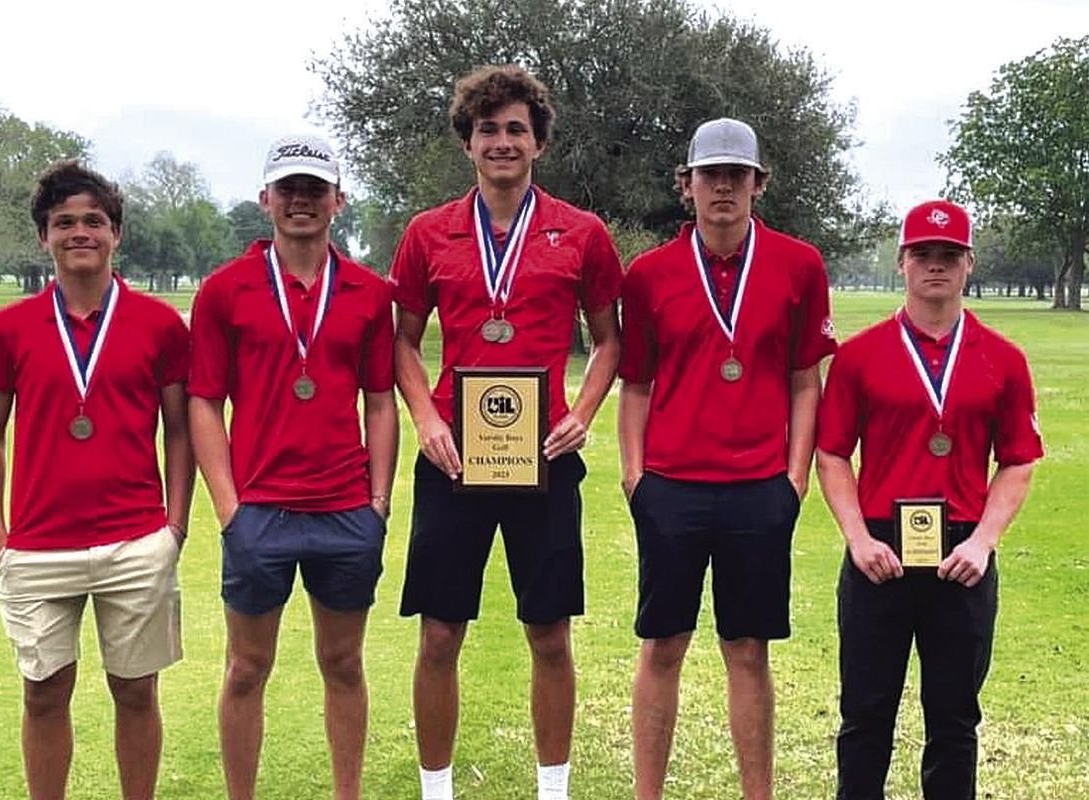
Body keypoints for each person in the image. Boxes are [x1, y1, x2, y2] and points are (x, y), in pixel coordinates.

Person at [390, 65, 622, 800]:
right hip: (454, 455)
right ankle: (437, 789)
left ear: (539, 143)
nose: (501, 142)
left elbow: (610, 338)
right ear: (468, 142)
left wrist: (583, 412)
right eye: (487, 129)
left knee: (549, 634)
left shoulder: (580, 233)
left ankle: (552, 789)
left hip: (544, 458)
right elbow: (402, 338)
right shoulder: (429, 233)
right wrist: (425, 415)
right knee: (438, 633)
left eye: (515, 129)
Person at [619, 118, 838, 800]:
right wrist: (636, 479)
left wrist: (793, 480)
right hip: (672, 489)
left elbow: (807, 380)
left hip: (758, 491)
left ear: (757, 184)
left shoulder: (799, 265)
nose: (722, 187)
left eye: (735, 175)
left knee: (747, 651)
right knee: (662, 648)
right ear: (686, 187)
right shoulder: (649, 274)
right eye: (709, 175)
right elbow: (636, 386)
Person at [0, 161, 193, 800]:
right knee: (43, 695)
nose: (79, 233)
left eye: (93, 220)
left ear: (115, 233)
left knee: (136, 691)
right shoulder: (11, 327)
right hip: (39, 546)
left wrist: (174, 524)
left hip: (135, 540)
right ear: (44, 237)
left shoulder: (158, 324)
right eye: (63, 222)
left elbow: (180, 429)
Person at [188, 135, 397, 800]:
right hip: (261, 512)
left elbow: (380, 400)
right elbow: (203, 404)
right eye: (289, 189)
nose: (301, 200)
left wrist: (380, 501)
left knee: (343, 663)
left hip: (343, 510)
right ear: (266, 200)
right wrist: (229, 510)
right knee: (246, 668)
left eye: (315, 189)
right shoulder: (225, 291)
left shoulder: (369, 291)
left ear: (338, 200)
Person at [815, 199, 1043, 800]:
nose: (935, 266)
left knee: (954, 720)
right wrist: (858, 539)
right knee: (865, 717)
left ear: (969, 263)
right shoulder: (859, 356)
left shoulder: (1004, 359)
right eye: (923, 254)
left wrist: (984, 542)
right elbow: (832, 454)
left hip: (962, 554)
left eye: (948, 255)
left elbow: (1018, 460)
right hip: (878, 552)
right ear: (902, 262)